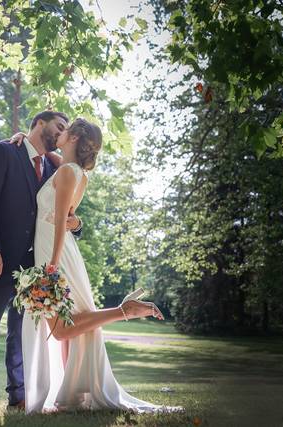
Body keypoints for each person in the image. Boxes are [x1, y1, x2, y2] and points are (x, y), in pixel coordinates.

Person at [14, 118, 184, 414]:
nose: (59, 132)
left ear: (75, 137)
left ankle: (123, 311)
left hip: (57, 253)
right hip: (58, 251)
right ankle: (71, 397)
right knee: (68, 325)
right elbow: (67, 217)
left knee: (62, 328)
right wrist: (22, 137)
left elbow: (59, 225)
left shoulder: (67, 172)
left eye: (65, 129)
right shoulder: (73, 170)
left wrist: (51, 266)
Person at [0, 111, 84, 416]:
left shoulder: (53, 166)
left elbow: (67, 202)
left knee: (20, 335)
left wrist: (77, 225)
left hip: (31, 268)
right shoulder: (3, 151)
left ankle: (17, 397)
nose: (62, 133)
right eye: (59, 126)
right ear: (40, 123)